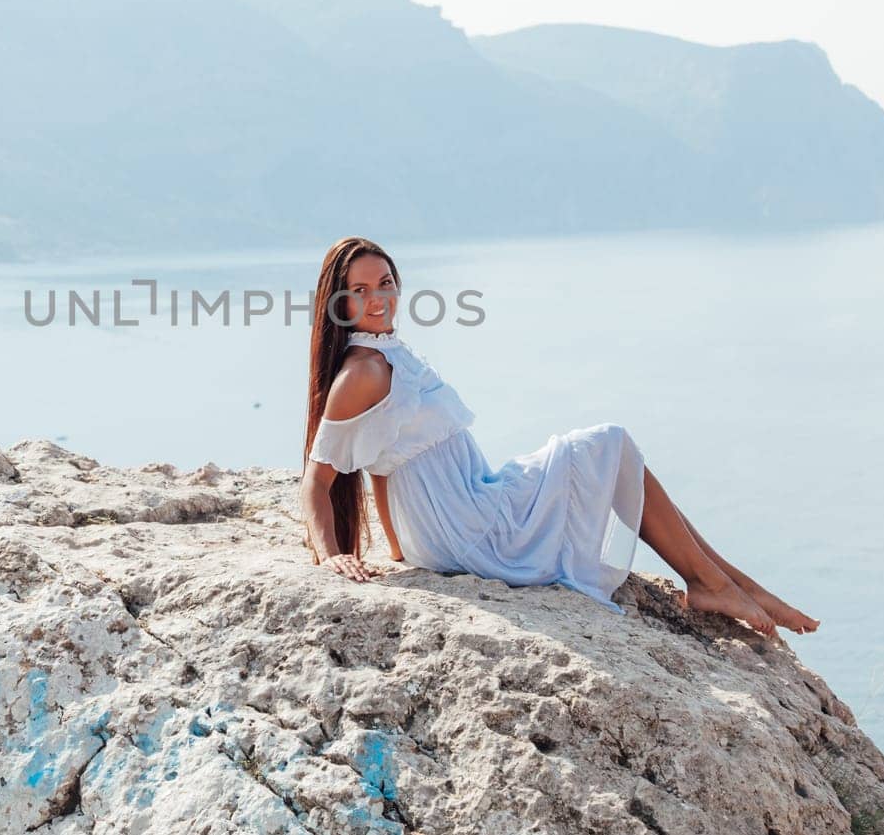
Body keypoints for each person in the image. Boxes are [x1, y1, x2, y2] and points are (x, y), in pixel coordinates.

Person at [298, 236, 820, 637]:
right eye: (360, 291)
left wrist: (399, 546)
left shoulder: (387, 353)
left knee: (611, 452)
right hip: (468, 525)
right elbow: (317, 481)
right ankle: (715, 583)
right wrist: (331, 555)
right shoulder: (363, 371)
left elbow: (384, 460)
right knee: (607, 445)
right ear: (339, 304)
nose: (378, 298)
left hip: (467, 508)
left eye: (385, 282)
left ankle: (729, 583)